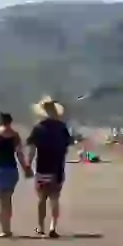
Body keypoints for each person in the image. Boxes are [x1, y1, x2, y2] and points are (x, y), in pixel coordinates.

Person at [27, 97, 75, 238]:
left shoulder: (38, 128)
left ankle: (41, 228)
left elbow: (32, 149)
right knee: (55, 198)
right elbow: (67, 146)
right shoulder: (62, 127)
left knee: (42, 198)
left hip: (42, 168)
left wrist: (28, 165)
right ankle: (53, 226)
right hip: (57, 168)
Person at [0, 112, 32, 238]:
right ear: (10, 122)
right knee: (7, 200)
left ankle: (5, 229)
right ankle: (7, 228)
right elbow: (20, 154)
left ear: (0, 121)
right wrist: (26, 168)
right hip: (11, 171)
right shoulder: (15, 135)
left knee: (2, 201)